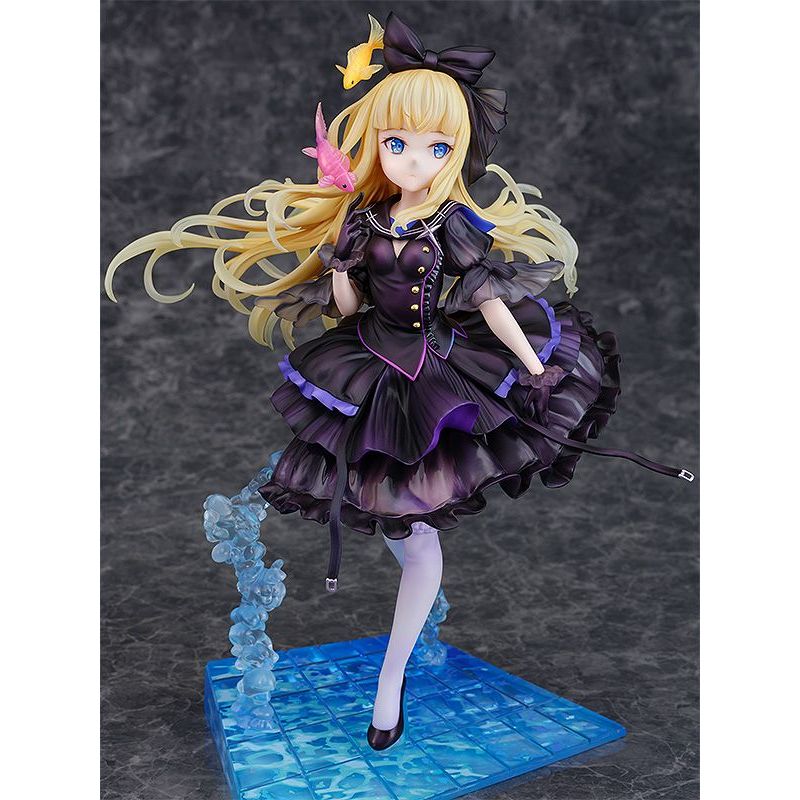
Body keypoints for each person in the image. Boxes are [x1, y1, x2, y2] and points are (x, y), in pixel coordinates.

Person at [105, 12, 692, 751]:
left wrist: (534, 366)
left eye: (437, 146)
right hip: (368, 373)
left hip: (438, 375)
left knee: (417, 538)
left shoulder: (452, 224)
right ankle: (400, 658)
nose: (415, 160)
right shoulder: (365, 220)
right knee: (398, 523)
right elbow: (349, 311)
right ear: (377, 144)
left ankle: (391, 682)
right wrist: (340, 261)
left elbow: (489, 300)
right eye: (398, 143)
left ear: (457, 151)